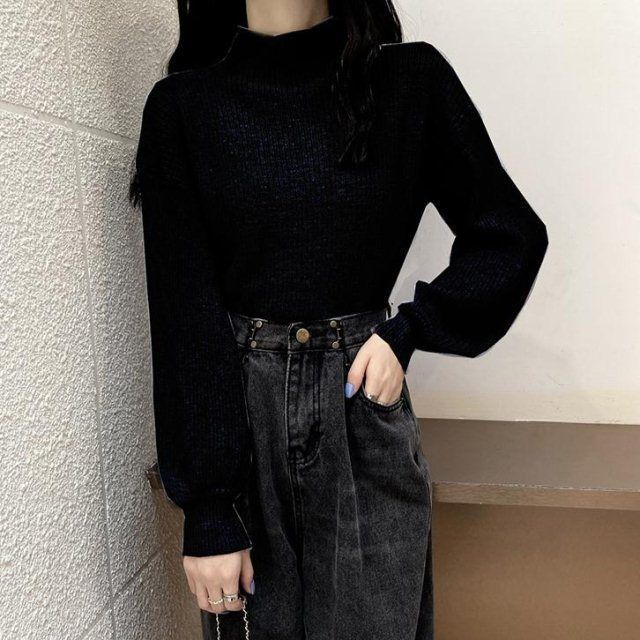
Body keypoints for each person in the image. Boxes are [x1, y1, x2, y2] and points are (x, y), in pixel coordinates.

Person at [131, 1, 549, 638]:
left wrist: (409, 331)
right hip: (241, 427)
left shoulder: (408, 83)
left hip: (360, 410)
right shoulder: (184, 107)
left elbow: (509, 234)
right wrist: (210, 510)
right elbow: (184, 313)